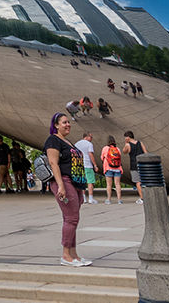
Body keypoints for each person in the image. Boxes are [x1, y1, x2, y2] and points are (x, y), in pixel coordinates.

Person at [44, 112, 89, 267]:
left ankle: (74, 254)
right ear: (56, 125)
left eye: (68, 122)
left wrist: (81, 189)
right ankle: (65, 255)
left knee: (72, 219)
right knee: (71, 219)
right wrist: (61, 186)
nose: (68, 124)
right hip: (63, 181)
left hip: (75, 183)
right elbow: (53, 163)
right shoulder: (53, 140)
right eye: (64, 122)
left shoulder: (68, 142)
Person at [74, 132, 98, 204]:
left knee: (82, 181)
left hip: (79, 165)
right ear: (86, 137)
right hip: (88, 165)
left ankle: (83, 198)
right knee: (90, 181)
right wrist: (95, 165)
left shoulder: (76, 144)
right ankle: (91, 198)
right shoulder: (89, 144)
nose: (91, 139)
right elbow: (90, 154)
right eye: (91, 137)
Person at [123, 131, 147, 204]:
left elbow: (124, 152)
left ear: (128, 137)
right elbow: (145, 152)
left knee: (138, 182)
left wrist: (125, 144)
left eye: (125, 137)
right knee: (145, 181)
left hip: (134, 165)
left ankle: (142, 198)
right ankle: (148, 196)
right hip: (143, 164)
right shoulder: (140, 142)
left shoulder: (128, 145)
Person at [100, 136, 123, 204]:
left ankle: (109, 199)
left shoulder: (105, 148)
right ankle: (119, 200)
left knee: (109, 185)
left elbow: (102, 158)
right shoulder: (117, 149)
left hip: (108, 168)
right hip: (117, 168)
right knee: (117, 184)